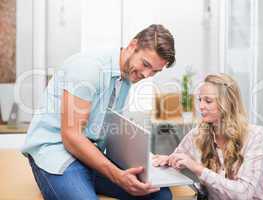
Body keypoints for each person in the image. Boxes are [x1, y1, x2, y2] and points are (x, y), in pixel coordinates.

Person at [22, 24, 175, 200]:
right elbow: (71, 136)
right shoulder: (88, 68)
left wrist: (144, 160)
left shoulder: (126, 78)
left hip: (90, 155)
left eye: (155, 71)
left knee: (160, 194)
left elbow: (107, 129)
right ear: (133, 46)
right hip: (56, 153)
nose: (147, 75)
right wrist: (118, 176)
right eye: (146, 64)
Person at [153, 73, 263, 200]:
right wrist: (169, 160)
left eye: (208, 101)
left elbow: (243, 194)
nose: (201, 106)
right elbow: (179, 158)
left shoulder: (255, 135)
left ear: (227, 103)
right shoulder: (197, 134)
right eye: (200, 100)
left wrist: (198, 169)